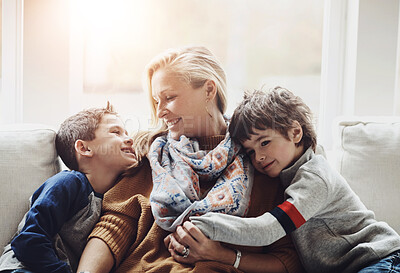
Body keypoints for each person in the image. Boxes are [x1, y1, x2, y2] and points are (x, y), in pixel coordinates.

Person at [77, 46, 305, 273]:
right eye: (157, 101)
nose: (160, 112)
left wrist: (223, 257)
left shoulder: (261, 160)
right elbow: (113, 227)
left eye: (169, 98)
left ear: (208, 90)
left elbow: (286, 262)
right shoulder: (150, 154)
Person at [190, 87, 400, 273]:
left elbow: (268, 229)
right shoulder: (284, 180)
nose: (258, 157)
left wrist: (201, 224)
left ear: (295, 132)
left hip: (381, 259)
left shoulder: (315, 177)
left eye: (264, 142)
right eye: (250, 151)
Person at [0, 103, 137, 273]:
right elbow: (28, 240)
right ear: (84, 148)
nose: (129, 139)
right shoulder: (68, 183)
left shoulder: (113, 200)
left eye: (127, 133)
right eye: (116, 132)